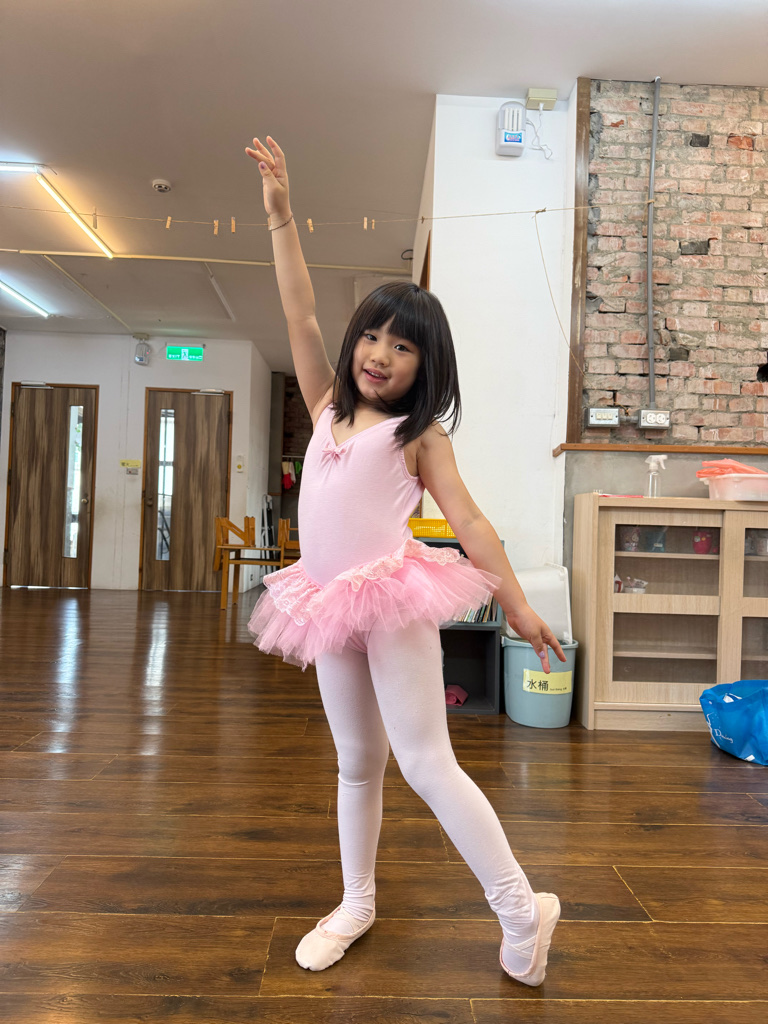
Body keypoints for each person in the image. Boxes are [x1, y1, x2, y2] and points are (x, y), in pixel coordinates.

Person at [245, 135, 567, 986]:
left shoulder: (419, 435)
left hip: (389, 603)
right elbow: (300, 316)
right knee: (356, 762)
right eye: (373, 336)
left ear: (428, 365)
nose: (380, 354)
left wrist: (519, 604)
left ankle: (520, 908)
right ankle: (357, 901)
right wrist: (281, 217)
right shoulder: (324, 404)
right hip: (323, 602)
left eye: (403, 346)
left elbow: (470, 521)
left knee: (425, 762)